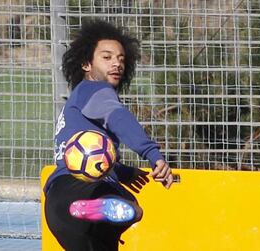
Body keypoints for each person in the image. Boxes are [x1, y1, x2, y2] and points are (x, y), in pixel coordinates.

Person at [44, 19, 174, 251]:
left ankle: (96, 210)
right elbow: (119, 119)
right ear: (86, 63)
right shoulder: (96, 90)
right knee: (133, 209)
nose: (116, 64)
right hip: (90, 189)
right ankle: (103, 207)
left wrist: (124, 172)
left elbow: (91, 157)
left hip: (59, 205)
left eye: (121, 59)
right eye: (107, 57)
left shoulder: (75, 101)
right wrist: (152, 153)